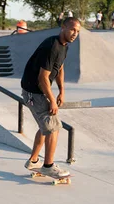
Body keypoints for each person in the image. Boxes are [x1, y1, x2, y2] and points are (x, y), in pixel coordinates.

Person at [21, 17, 80, 179]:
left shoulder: (64, 46)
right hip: (34, 92)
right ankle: (48, 166)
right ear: (63, 28)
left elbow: (59, 68)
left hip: (38, 91)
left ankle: (34, 160)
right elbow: (42, 78)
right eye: (72, 29)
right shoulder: (52, 46)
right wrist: (52, 100)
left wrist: (62, 91)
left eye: (77, 31)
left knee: (46, 126)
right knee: (54, 127)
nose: (75, 34)